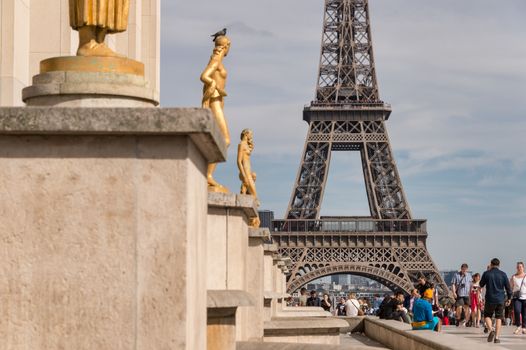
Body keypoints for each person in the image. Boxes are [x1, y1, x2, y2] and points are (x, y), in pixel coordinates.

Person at [480, 258, 512, 344]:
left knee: (487, 315)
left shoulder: (486, 274)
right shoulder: (503, 274)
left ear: (491, 264)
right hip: (500, 299)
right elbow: (508, 288)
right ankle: (497, 337)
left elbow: (481, 284)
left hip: (490, 298)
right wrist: (509, 298)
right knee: (499, 318)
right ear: (499, 265)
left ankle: (491, 330)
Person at [510, 261, 526, 335]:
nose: (519, 268)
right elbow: (510, 287)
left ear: (523, 268)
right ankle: (518, 326)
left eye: (520, 267)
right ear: (516, 268)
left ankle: (524, 327)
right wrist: (509, 297)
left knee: (524, 313)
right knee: (517, 310)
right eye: (518, 267)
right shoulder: (513, 277)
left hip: (525, 297)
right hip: (516, 297)